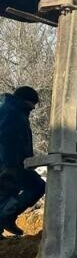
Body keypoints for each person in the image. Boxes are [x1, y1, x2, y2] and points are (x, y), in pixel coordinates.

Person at [0, 86, 45, 237]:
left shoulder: (9, 109)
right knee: (37, 186)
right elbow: (8, 139)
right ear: (25, 100)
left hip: (10, 163)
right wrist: (11, 166)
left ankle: (5, 219)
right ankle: (6, 217)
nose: (33, 108)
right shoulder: (14, 113)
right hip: (9, 165)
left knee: (6, 194)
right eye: (32, 104)